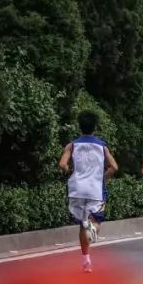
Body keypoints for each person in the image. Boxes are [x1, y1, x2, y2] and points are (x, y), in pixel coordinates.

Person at [59, 111, 118, 272]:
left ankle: (86, 261)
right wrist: (102, 178)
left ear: (80, 126)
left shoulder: (71, 145)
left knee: (82, 224)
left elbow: (62, 164)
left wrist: (70, 172)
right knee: (96, 221)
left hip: (77, 189)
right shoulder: (102, 146)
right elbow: (114, 167)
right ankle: (92, 230)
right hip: (95, 189)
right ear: (95, 127)